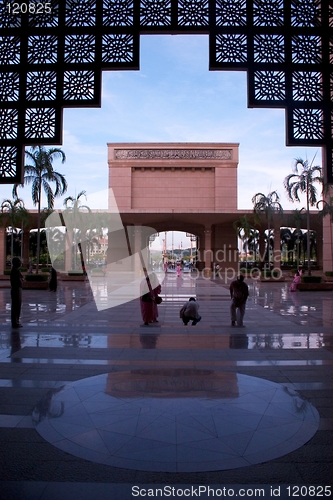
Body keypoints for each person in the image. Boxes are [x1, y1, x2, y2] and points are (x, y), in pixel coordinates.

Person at [10, 257, 23, 328]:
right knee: (16, 306)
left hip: (17, 289)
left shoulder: (16, 270)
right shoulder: (15, 271)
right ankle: (15, 322)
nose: (20, 263)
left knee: (17, 306)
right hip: (16, 289)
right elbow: (18, 280)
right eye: (19, 262)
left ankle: (16, 321)